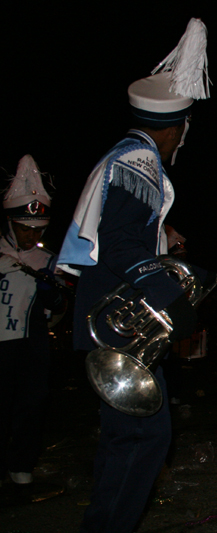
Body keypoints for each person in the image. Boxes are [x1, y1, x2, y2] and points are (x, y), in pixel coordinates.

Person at [57, 19, 210, 533]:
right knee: (142, 439)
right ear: (175, 127)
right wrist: (173, 298)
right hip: (121, 329)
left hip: (117, 327)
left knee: (129, 440)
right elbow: (121, 243)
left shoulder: (122, 154)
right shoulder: (143, 160)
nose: (182, 140)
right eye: (184, 131)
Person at [1, 155, 68, 485]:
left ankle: (22, 464)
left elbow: (60, 305)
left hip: (31, 343)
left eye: (37, 231)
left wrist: (50, 292)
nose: (30, 237)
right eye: (24, 229)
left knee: (32, 404)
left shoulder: (47, 259)